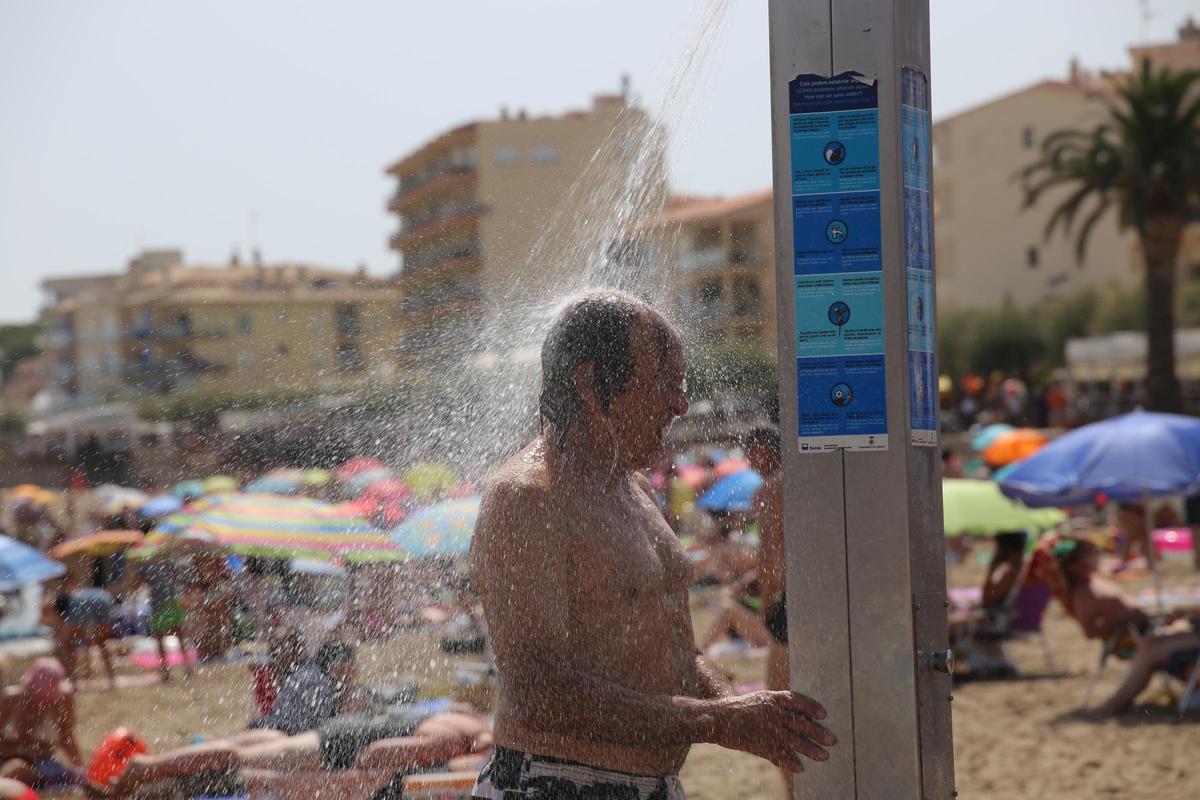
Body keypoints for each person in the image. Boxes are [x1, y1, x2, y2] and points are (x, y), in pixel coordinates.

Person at [469, 291, 834, 799]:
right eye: (664, 381)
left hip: (652, 784)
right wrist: (716, 721)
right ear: (588, 384)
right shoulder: (528, 498)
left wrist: (737, 712)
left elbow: (675, 649)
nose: (679, 403)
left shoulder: (634, 488)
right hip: (553, 782)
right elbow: (538, 691)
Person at [1058, 539, 1200, 716]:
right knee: (1154, 644)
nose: (1096, 558)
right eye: (1090, 555)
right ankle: (1114, 704)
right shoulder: (1083, 592)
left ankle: (1114, 704)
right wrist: (1121, 618)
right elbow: (1090, 631)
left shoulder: (1094, 583)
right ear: (1074, 565)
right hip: (1130, 635)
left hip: (1145, 628)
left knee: (1164, 637)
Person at [745, 424, 792, 798]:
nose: (749, 463)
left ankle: (794, 792)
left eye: (750, 455)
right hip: (821, 600)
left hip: (788, 603)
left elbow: (770, 554)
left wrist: (765, 602)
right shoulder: (809, 480)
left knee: (780, 706)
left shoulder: (769, 490)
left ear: (764, 451)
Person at [0, 658, 83, 791]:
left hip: (41, 764)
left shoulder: (61, 702)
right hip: (4, 759)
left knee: (19, 770)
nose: (40, 702)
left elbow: (67, 738)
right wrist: (19, 751)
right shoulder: (10, 700)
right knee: (16, 768)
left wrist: (80, 767)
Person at [138, 558, 193, 683]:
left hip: (159, 603)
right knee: (179, 636)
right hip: (171, 600)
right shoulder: (165, 557)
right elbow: (175, 575)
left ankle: (165, 672)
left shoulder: (144, 562)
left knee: (160, 639)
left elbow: (140, 583)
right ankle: (186, 668)